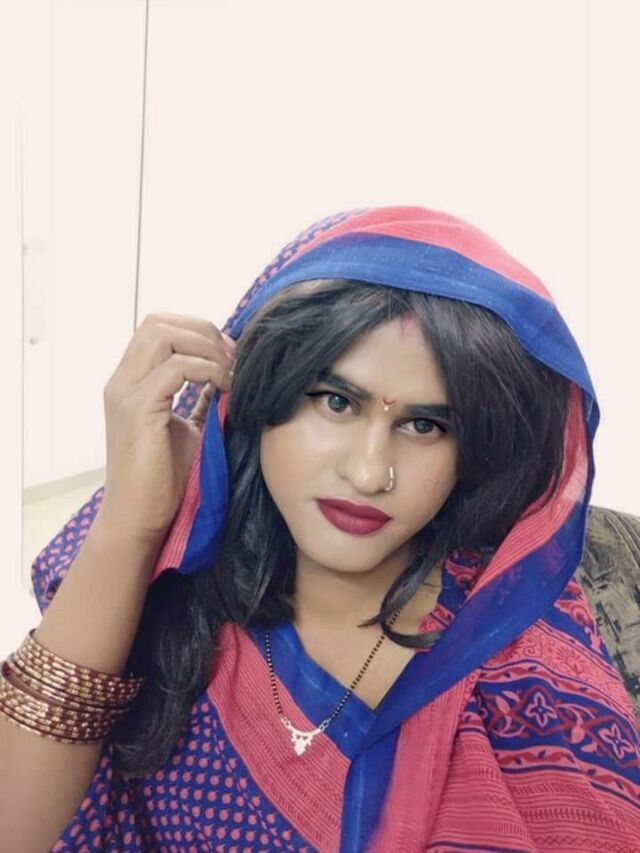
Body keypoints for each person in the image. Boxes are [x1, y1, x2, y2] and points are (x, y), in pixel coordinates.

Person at [2, 205, 639, 852]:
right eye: (336, 402)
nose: (368, 472)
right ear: (256, 394)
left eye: (424, 425)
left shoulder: (527, 686)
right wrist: (130, 525)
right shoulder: (176, 576)